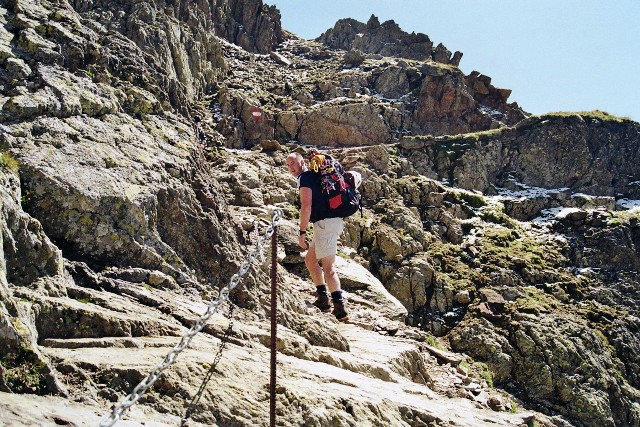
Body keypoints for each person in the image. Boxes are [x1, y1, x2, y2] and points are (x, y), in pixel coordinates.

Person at [286, 152, 349, 321]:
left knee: (329, 268)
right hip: (326, 223)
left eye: (293, 163)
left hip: (325, 224)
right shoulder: (311, 176)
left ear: (302, 163)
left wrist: (302, 233)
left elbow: (306, 206)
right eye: (288, 165)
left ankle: (340, 309)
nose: (290, 167)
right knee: (310, 260)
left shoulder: (305, 178)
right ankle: (323, 300)